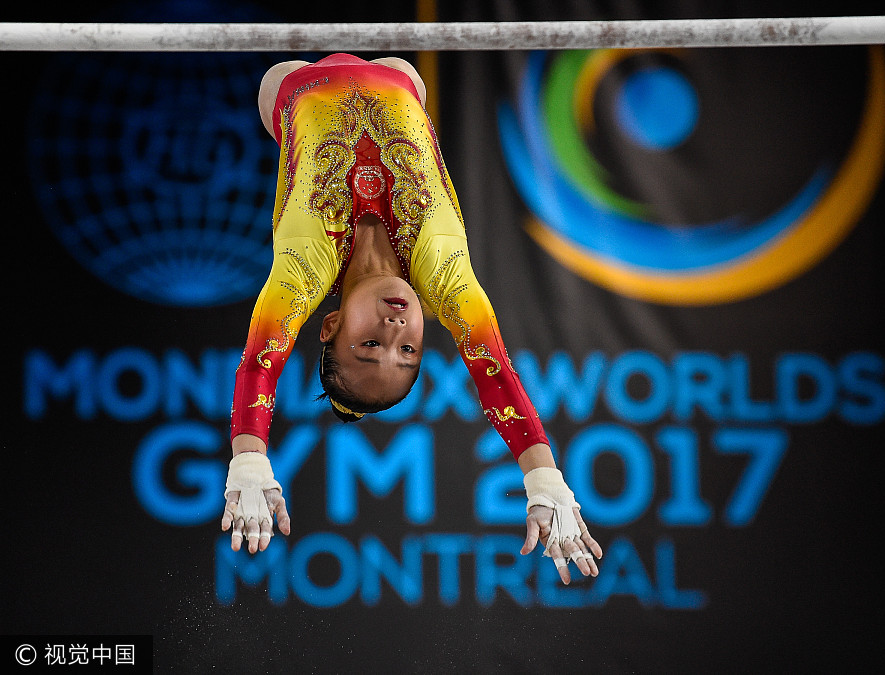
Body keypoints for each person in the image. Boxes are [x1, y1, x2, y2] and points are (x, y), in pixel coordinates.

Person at [220, 53, 603, 584]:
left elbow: (261, 362)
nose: (395, 331)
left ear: (329, 325)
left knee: (274, 83)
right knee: (405, 71)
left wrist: (248, 461)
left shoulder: (303, 269)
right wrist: (545, 480)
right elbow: (494, 373)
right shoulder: (447, 278)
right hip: (401, 78)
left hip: (295, 84)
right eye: (407, 351)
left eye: (369, 346)